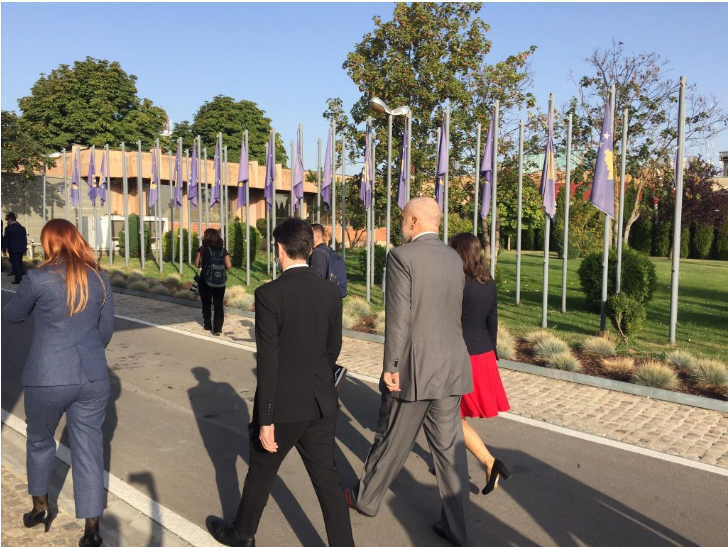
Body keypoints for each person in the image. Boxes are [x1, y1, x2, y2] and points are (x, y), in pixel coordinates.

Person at [206, 218, 354, 547]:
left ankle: (242, 534)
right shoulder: (330, 291)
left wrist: (266, 418)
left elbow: (269, 361)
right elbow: (334, 347)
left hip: (284, 407)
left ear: (279, 249)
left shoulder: (269, 294)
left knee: (261, 470)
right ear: (309, 248)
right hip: (321, 401)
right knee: (328, 482)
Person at [345, 197, 473, 547]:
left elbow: (399, 318)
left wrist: (391, 367)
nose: (401, 224)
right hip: (451, 366)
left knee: (390, 437)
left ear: (414, 221)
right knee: (450, 454)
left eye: (403, 218)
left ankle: (365, 499)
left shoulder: (402, 257)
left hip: (414, 368)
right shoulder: (453, 257)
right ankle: (459, 530)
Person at [2, 219, 115, 547]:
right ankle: (92, 531)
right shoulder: (99, 278)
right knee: (89, 449)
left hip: (48, 375)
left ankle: (40, 509)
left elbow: (12, 314)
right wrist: (87, 354)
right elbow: (104, 332)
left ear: (49, 243)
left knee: (39, 441)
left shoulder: (38, 278)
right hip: (92, 376)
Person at [449, 232, 511, 495]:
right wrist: (491, 350)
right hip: (483, 352)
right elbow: (492, 320)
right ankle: (452, 461)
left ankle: (488, 461)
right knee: (455, 414)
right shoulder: (488, 282)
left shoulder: (457, 284)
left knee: (451, 415)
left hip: (462, 354)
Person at [194, 228, 232, 336]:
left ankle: (207, 325)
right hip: (220, 282)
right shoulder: (223, 250)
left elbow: (196, 264)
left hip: (205, 280)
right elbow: (229, 266)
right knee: (218, 304)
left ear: (207, 236)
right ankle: (217, 329)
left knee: (206, 303)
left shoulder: (202, 249)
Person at [308, 223, 347, 297]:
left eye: (308, 236)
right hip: (332, 299)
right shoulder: (329, 251)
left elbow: (316, 282)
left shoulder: (318, 253)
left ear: (315, 238)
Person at [2, 212, 28, 284]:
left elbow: (6, 240)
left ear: (10, 219)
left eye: (7, 220)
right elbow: (24, 239)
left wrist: (4, 250)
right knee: (19, 263)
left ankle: (18, 279)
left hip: (13, 249)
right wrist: (25, 249)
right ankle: (20, 276)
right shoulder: (22, 228)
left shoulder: (8, 229)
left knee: (15, 264)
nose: (7, 221)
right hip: (21, 249)